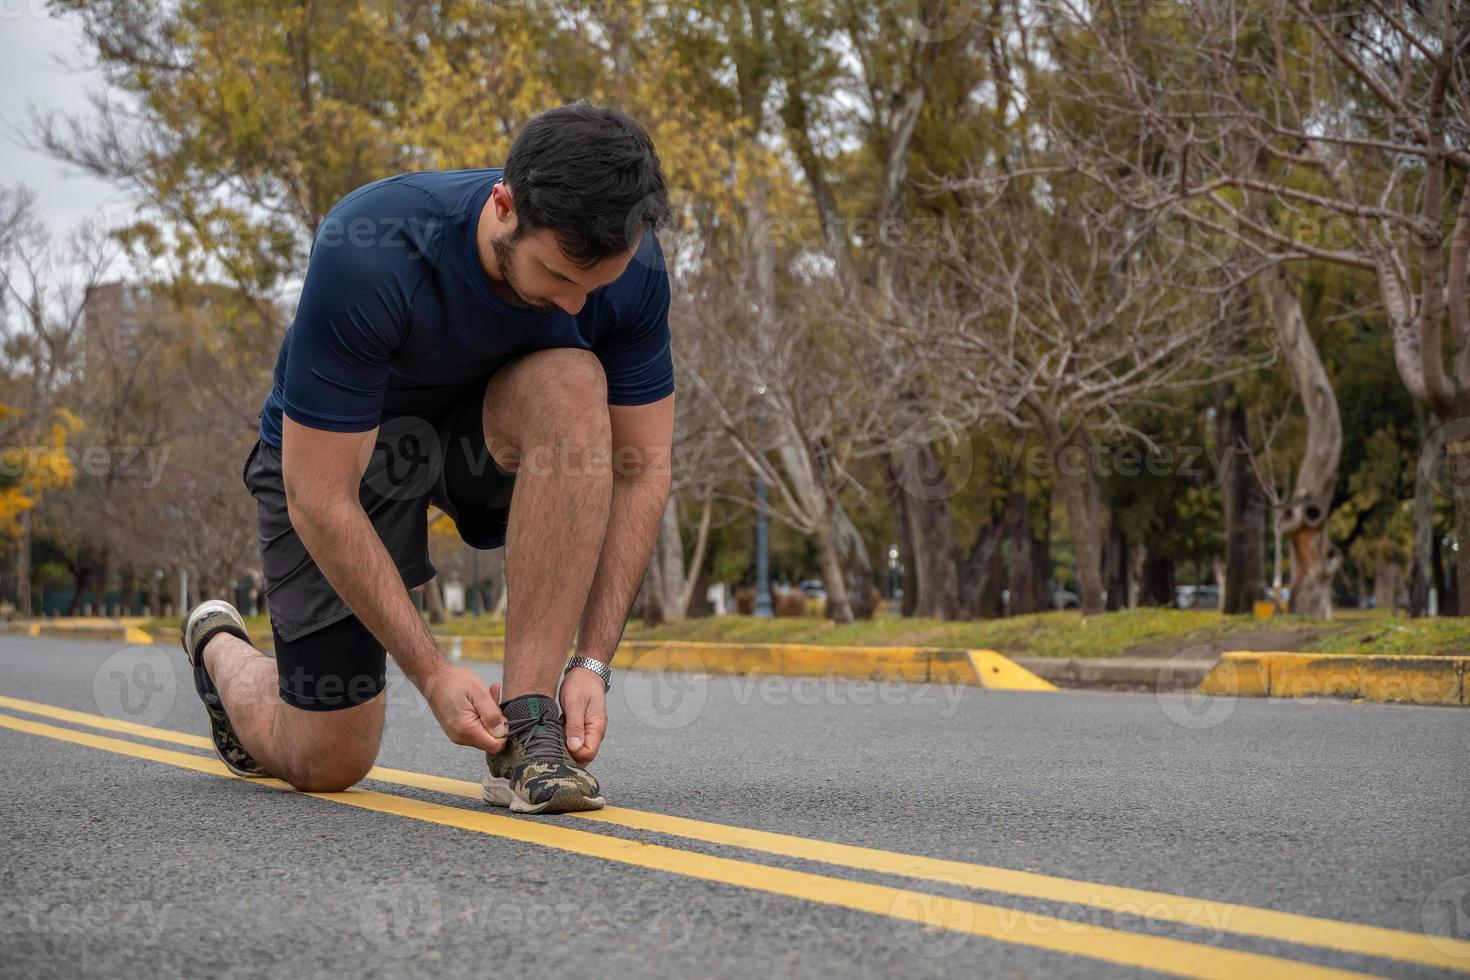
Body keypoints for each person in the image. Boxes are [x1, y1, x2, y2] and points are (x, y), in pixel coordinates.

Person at [178, 101, 674, 814]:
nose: (575, 306)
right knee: (330, 760)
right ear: (505, 207)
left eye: (593, 289)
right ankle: (221, 650)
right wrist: (434, 672)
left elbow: (642, 469)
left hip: (484, 437)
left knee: (572, 378)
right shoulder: (370, 246)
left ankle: (529, 730)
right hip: (350, 459)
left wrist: (592, 662)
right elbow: (318, 495)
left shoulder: (632, 270)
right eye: (558, 276)